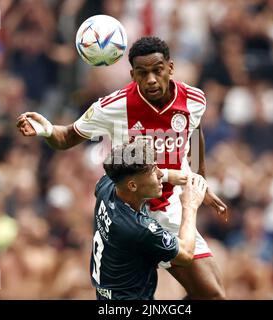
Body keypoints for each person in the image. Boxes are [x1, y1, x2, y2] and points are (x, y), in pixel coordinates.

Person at [17, 36, 227, 299]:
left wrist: (199, 183)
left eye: (157, 70)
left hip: (171, 206)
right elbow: (67, 137)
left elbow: (195, 135)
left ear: (170, 68)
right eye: (142, 73)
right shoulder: (114, 106)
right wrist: (46, 129)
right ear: (132, 75)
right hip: (135, 212)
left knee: (211, 293)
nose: (150, 79)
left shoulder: (195, 100)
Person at [91, 141, 207, 300]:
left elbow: (103, 184)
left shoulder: (109, 186)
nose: (161, 174)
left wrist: (171, 176)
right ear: (132, 186)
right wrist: (190, 206)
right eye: (154, 170)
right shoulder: (139, 229)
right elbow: (186, 254)